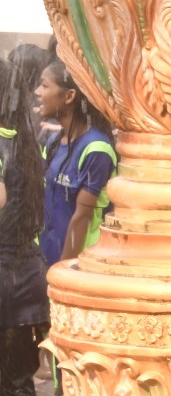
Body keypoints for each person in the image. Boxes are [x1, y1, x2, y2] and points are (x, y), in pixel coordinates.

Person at [0, 58, 67, 396]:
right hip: (25, 277)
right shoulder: (23, 140)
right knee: (14, 382)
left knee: (11, 383)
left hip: (6, 281)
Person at [36, 61, 115, 268]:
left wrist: (63, 272)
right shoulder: (54, 142)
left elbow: (82, 217)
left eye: (44, 85)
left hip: (80, 264)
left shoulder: (96, 148)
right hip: (47, 255)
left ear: (69, 96)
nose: (37, 92)